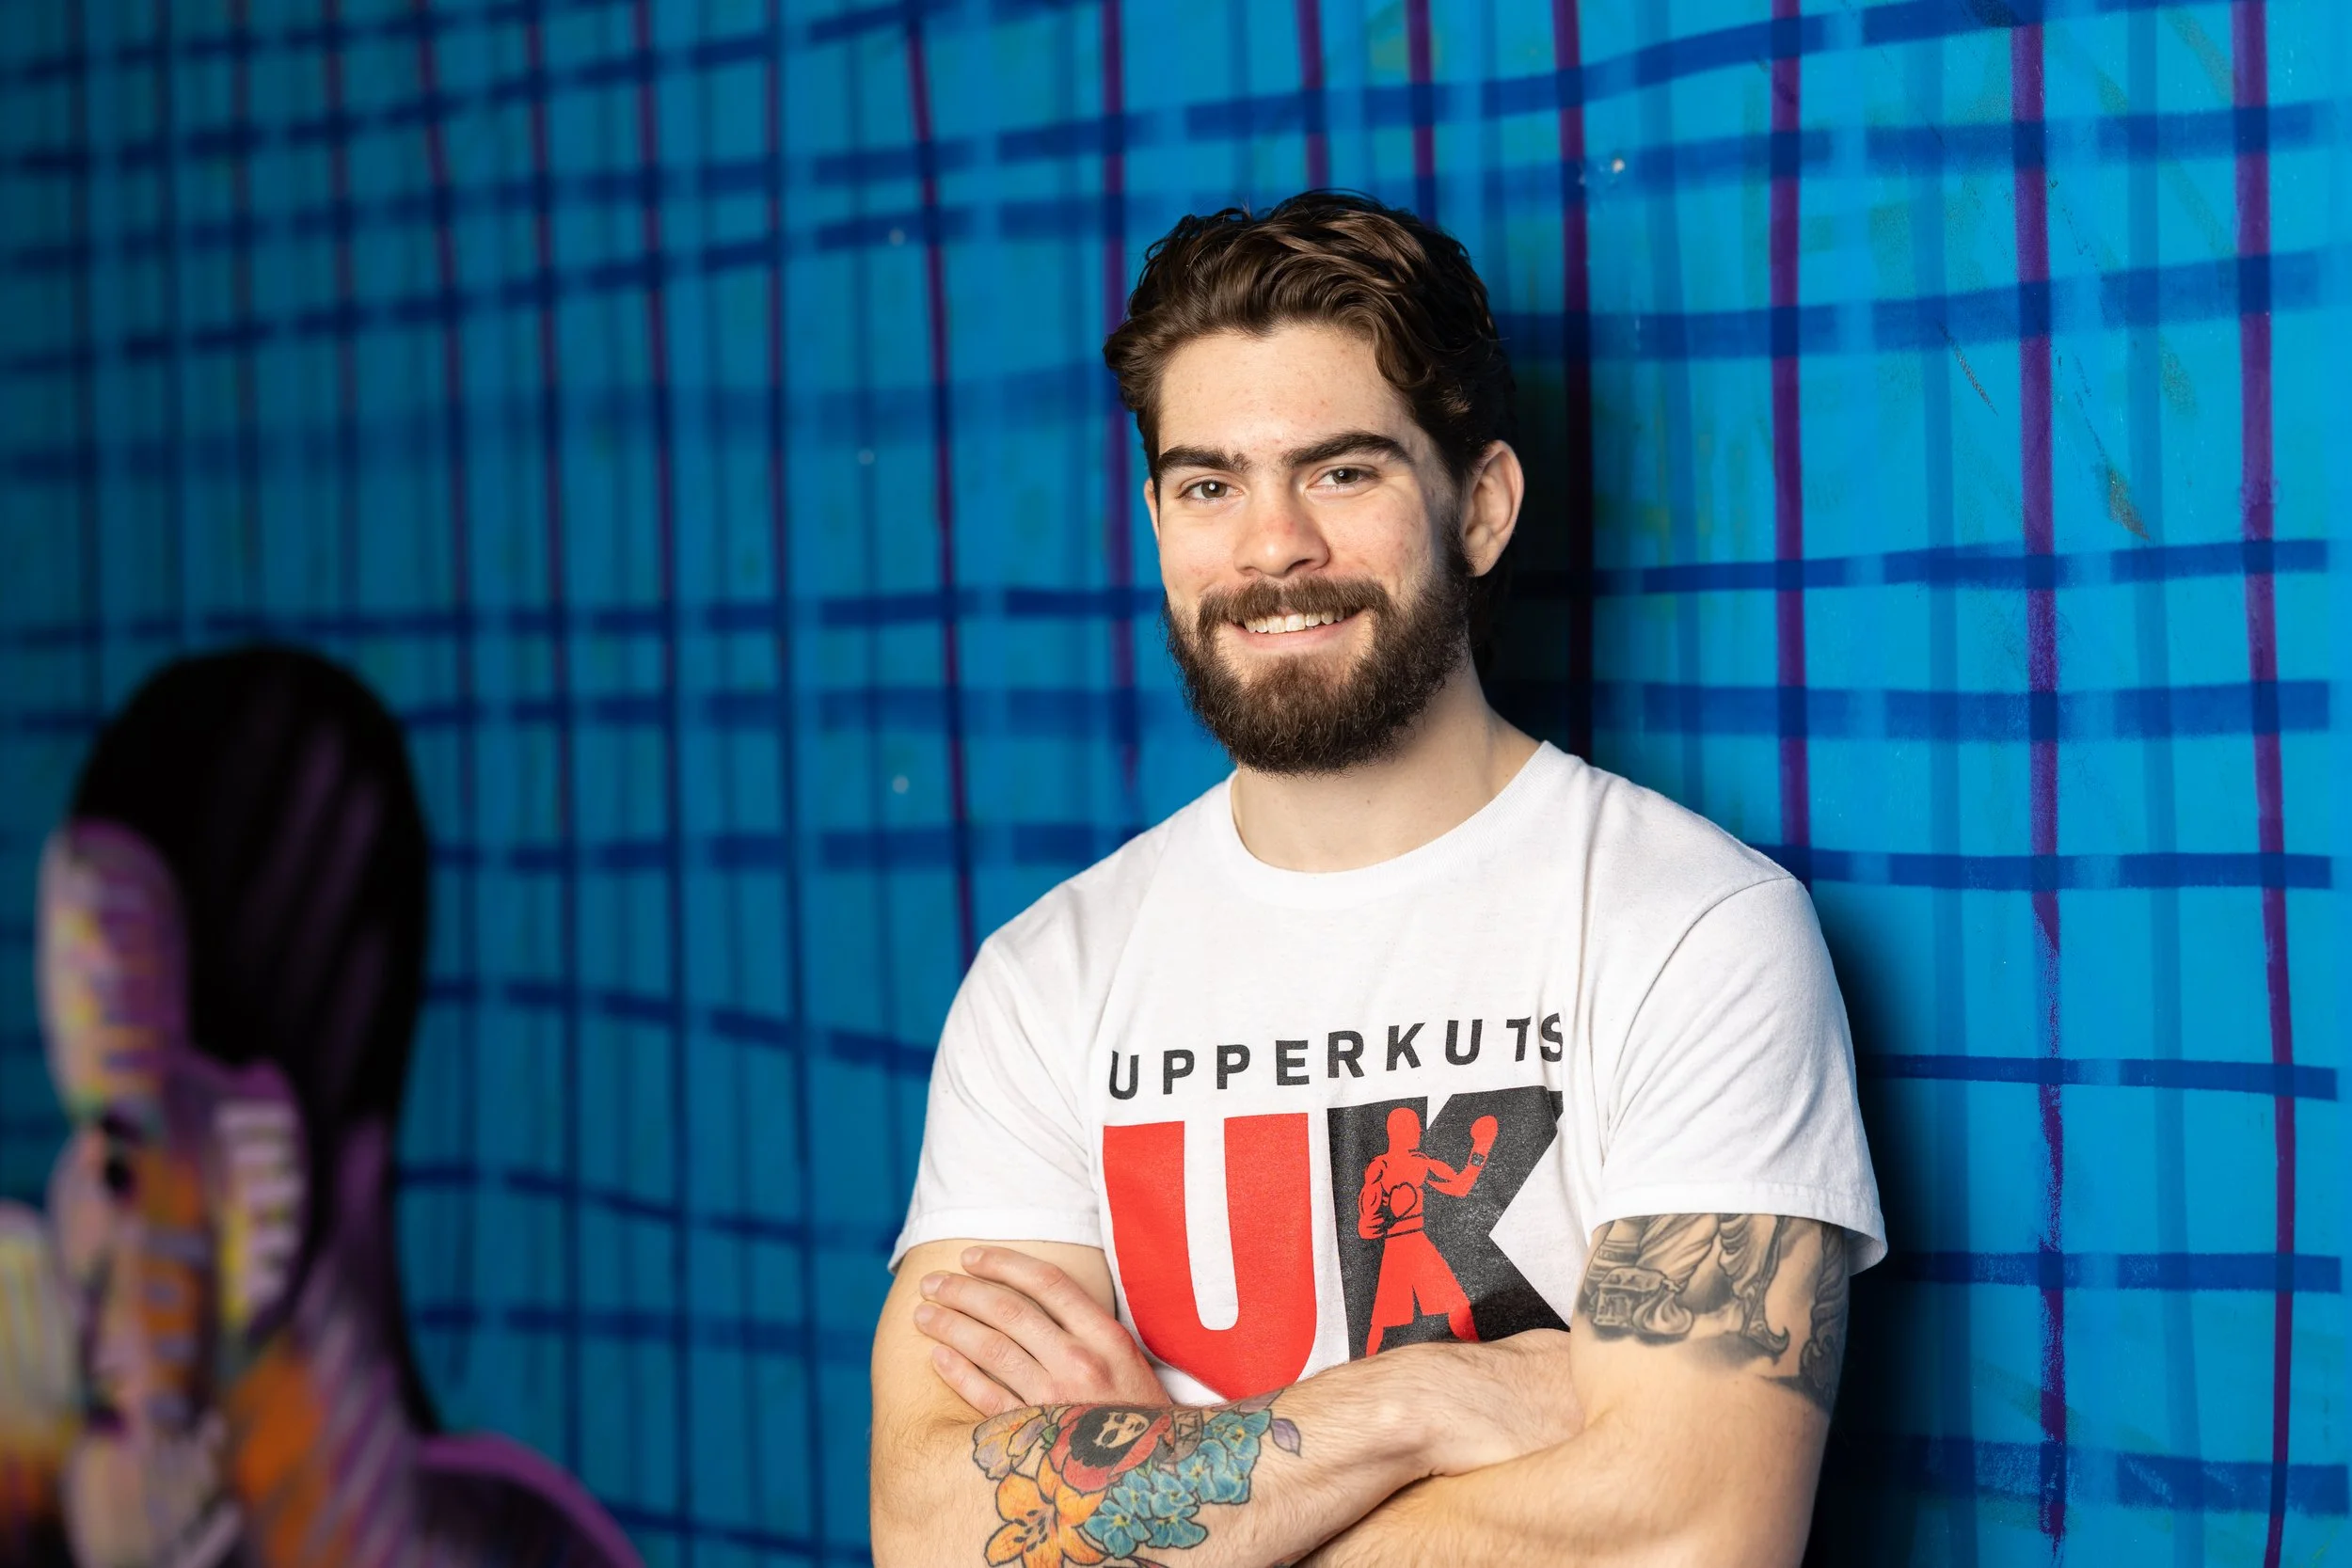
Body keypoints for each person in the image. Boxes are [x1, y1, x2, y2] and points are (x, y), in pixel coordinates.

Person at [868, 191, 1883, 1567]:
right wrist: (1414, 1405)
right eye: (1208, 483)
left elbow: (1688, 1531)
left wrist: (1169, 1498)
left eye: (1343, 472)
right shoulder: (1049, 980)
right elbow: (935, 1531)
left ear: (1482, 508)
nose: (1272, 545)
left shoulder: (1693, 930)